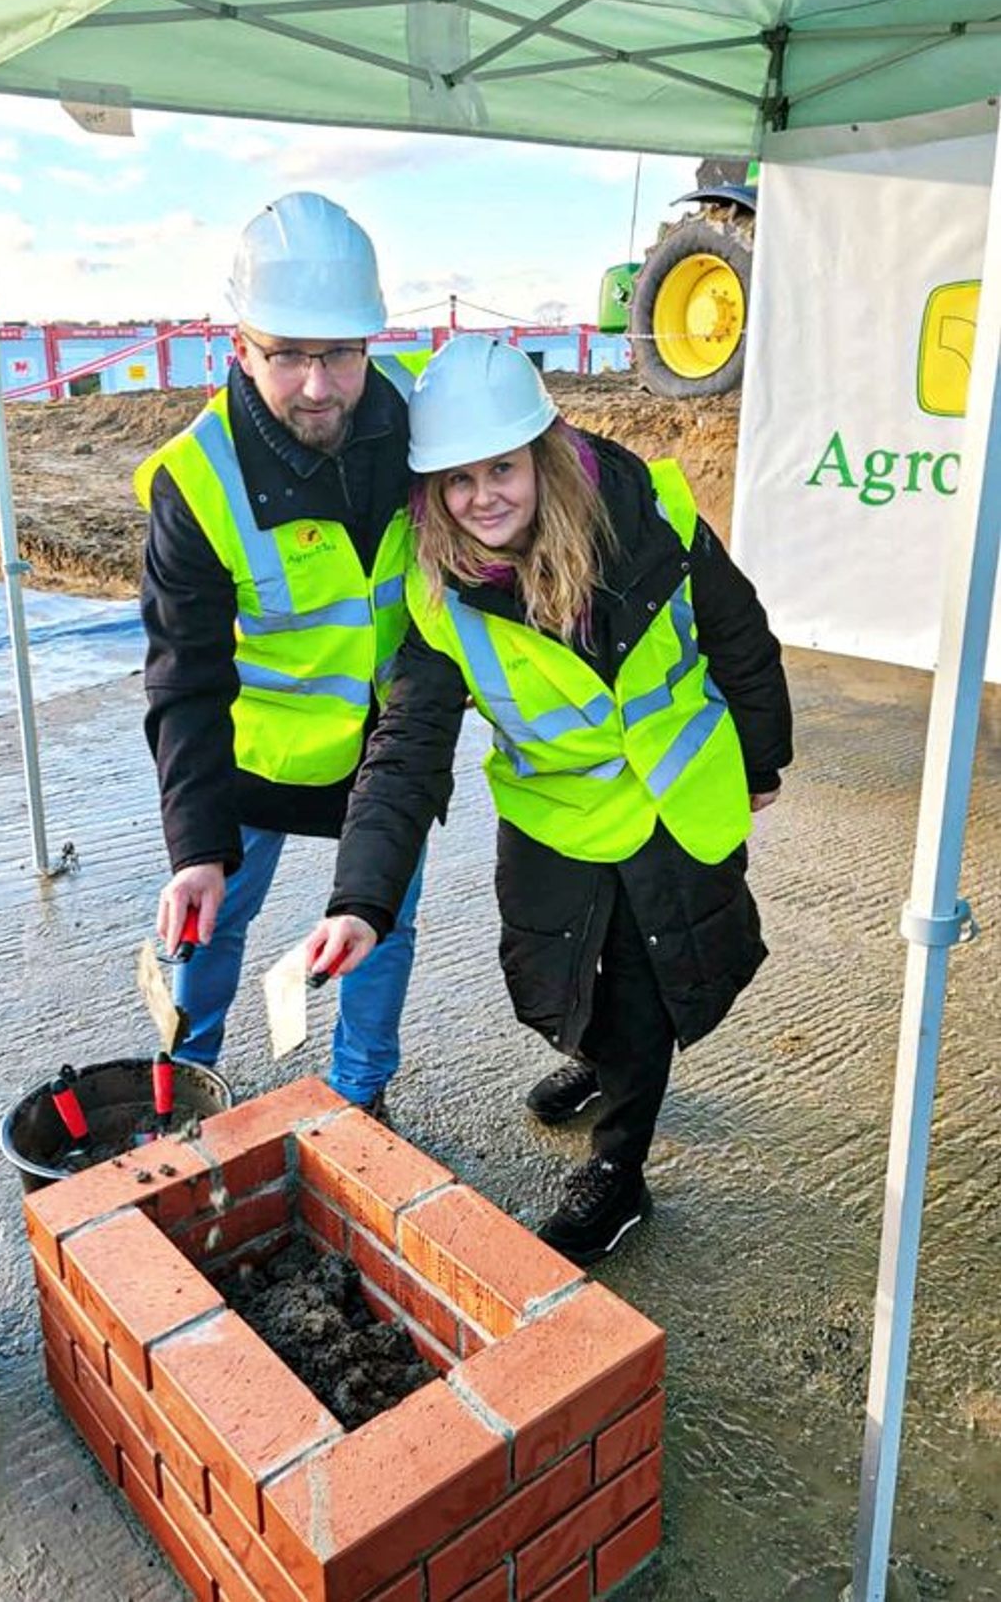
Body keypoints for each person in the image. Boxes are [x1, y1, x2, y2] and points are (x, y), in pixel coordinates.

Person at [306, 334, 793, 1263]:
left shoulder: (651, 517)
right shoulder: (435, 592)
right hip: (556, 819)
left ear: (544, 451)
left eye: (501, 466)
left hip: (672, 803)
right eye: (455, 478)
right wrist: (361, 900)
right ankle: (601, 1058)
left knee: (648, 988)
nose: (481, 494)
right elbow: (404, 750)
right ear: (429, 489)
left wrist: (763, 760)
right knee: (560, 983)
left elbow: (739, 632)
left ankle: (621, 1172)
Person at [135, 192, 423, 1118]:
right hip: (251, 755)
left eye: (337, 353)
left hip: (385, 745)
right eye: (287, 354)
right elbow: (184, 677)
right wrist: (195, 847)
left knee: (380, 927)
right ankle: (191, 1075)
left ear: (370, 343)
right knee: (212, 922)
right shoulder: (198, 477)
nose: (316, 385)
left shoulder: (425, 423)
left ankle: (358, 1092)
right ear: (240, 347)